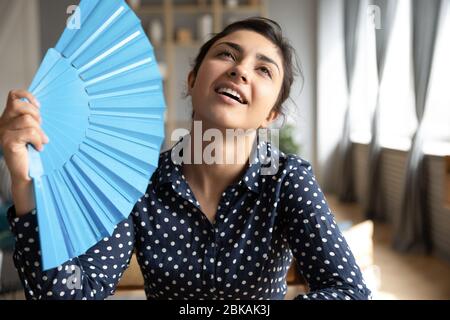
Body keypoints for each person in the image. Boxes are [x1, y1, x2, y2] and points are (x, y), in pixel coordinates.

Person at [0, 17, 371, 300]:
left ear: (271, 114)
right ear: (192, 80)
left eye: (263, 69)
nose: (240, 69)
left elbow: (349, 290)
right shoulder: (139, 183)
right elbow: (71, 293)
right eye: (227, 53)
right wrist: (23, 182)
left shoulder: (288, 180)